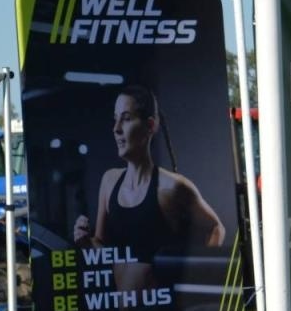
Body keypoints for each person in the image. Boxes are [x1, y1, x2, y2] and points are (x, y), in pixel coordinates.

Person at [72, 84, 226, 284]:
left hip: (163, 310)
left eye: (126, 119)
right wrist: (85, 243)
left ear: (150, 126)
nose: (116, 129)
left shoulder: (172, 187)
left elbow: (216, 228)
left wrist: (197, 276)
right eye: (115, 119)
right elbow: (100, 246)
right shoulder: (109, 181)